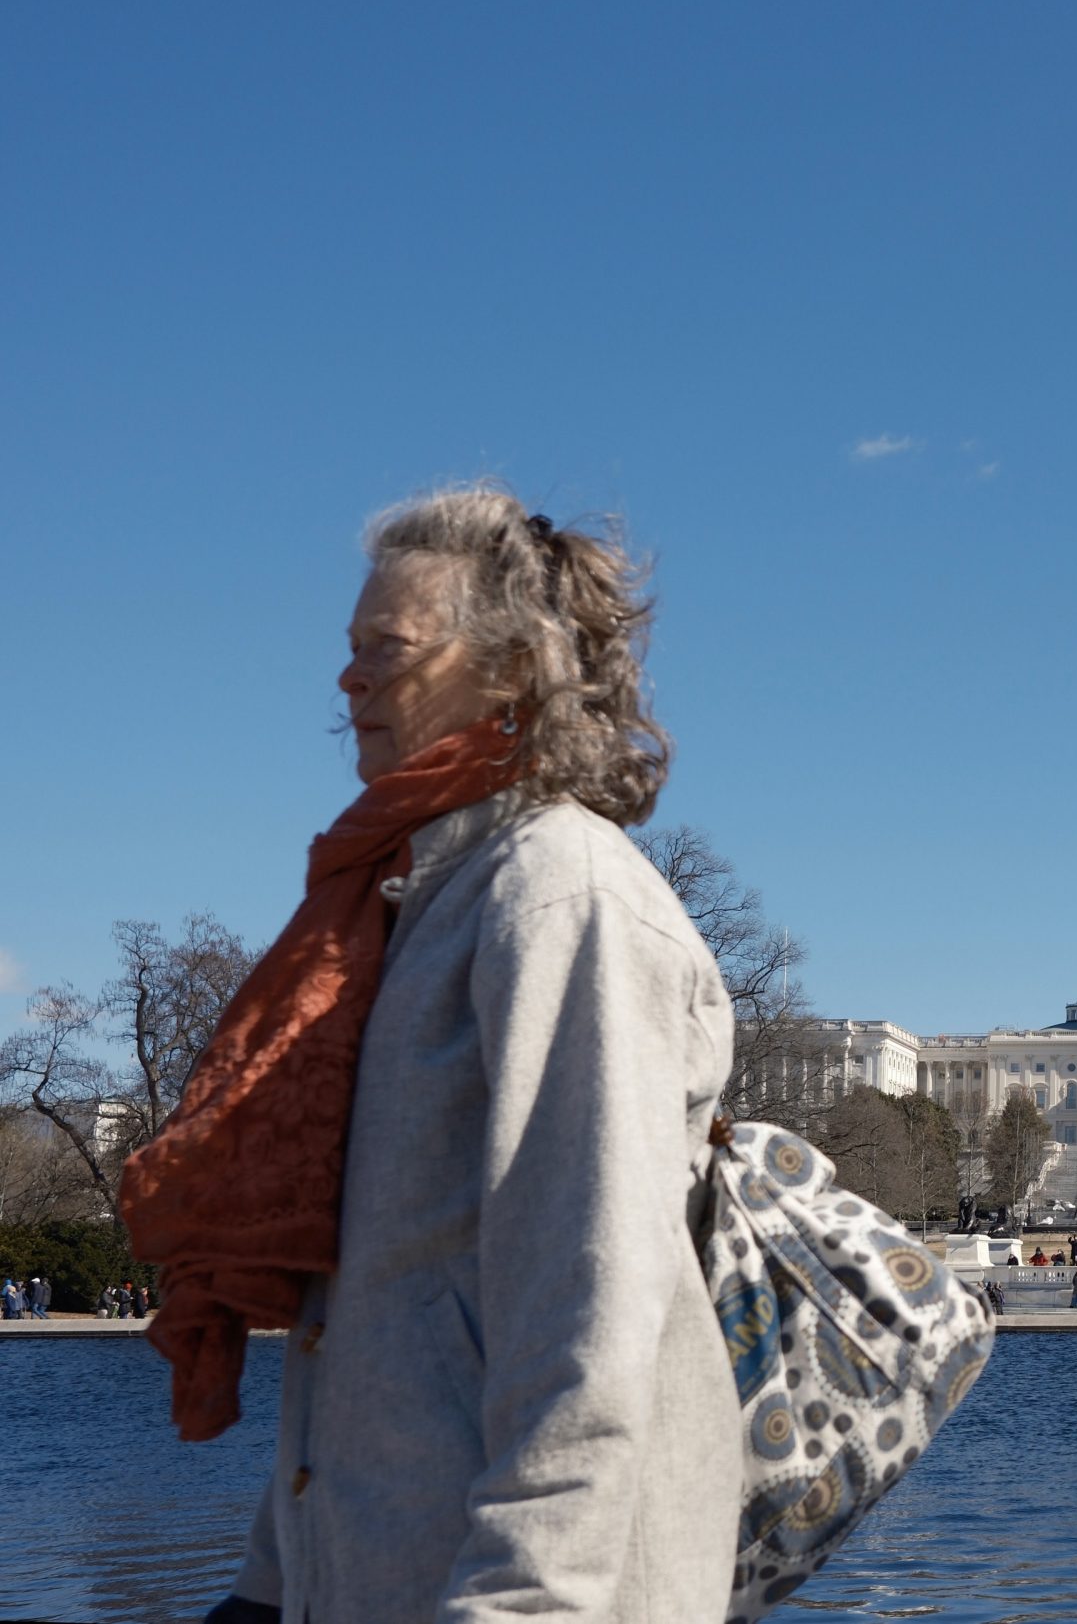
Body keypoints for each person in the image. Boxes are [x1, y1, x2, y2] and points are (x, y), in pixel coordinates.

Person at [124, 483, 740, 1624]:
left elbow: (591, 1306)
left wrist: (526, 1599)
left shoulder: (560, 896)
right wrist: (268, 1585)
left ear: (512, 669)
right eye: (348, 651)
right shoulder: (397, 912)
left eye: (387, 650)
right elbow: (367, 1316)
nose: (348, 680)